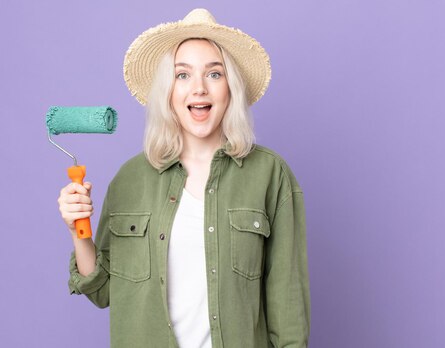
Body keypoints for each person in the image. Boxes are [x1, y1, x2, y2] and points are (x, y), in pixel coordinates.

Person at [57, 8, 310, 348]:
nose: (199, 89)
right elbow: (101, 290)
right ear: (168, 91)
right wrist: (78, 232)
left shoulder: (270, 175)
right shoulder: (130, 179)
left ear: (230, 88)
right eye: (183, 75)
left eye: (214, 74)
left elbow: (288, 311)